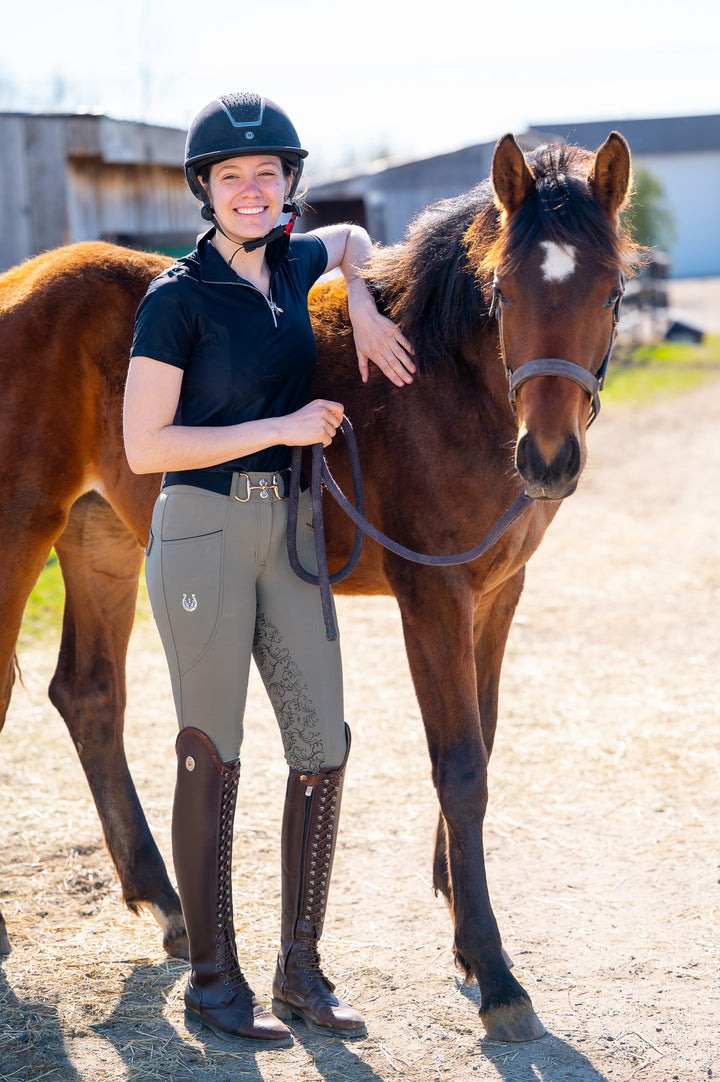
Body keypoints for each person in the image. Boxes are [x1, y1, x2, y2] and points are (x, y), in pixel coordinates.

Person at [123, 92, 415, 1049]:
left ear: (289, 182)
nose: (252, 191)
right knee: (213, 748)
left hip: (290, 533)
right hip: (202, 531)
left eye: (268, 175)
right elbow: (143, 446)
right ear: (204, 190)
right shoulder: (175, 299)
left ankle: (300, 970)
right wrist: (283, 427)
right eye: (231, 177)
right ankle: (213, 982)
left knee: (322, 744)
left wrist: (364, 309)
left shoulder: (296, 259)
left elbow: (351, 244)